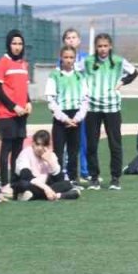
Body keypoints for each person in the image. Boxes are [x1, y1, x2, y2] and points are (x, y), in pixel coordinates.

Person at [82, 32, 137, 190]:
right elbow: (76, 73)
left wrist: (122, 82)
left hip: (112, 108)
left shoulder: (118, 61)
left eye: (105, 46)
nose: (103, 49)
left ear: (110, 46)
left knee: (115, 144)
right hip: (92, 108)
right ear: (95, 47)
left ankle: (115, 178)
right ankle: (94, 178)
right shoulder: (88, 61)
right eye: (100, 46)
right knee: (92, 144)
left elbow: (134, 72)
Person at [0, 29, 30, 194]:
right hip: (7, 114)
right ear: (9, 44)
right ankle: (4, 184)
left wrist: (28, 102)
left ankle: (15, 183)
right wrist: (13, 106)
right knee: (6, 148)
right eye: (14, 43)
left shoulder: (24, 63)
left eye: (20, 44)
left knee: (18, 148)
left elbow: (24, 87)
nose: (17, 47)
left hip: (22, 114)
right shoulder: (3, 62)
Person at [46, 44, 89, 182]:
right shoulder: (54, 75)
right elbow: (51, 100)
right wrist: (64, 118)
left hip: (75, 117)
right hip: (61, 118)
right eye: (66, 57)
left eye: (71, 57)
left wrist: (77, 118)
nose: (69, 60)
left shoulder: (79, 76)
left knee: (73, 151)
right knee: (58, 151)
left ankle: (73, 179)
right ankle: (57, 179)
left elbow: (85, 99)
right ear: (61, 58)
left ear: (75, 58)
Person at [12, 129, 80, 200]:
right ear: (32, 143)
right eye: (37, 144)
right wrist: (47, 189)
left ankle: (34, 196)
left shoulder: (51, 155)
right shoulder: (25, 153)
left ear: (48, 146)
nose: (39, 148)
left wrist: (50, 161)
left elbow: (60, 179)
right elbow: (26, 176)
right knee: (24, 184)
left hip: (42, 185)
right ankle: (60, 195)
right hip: (29, 183)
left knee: (67, 184)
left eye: (43, 145)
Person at [60, 27, 91, 179]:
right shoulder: (61, 61)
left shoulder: (87, 58)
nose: (71, 40)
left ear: (79, 41)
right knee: (68, 140)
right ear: (64, 42)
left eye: (74, 37)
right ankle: (66, 171)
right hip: (67, 105)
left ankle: (85, 171)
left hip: (83, 104)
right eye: (68, 38)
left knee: (85, 139)